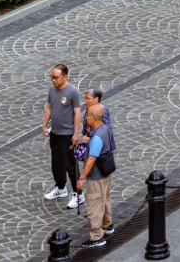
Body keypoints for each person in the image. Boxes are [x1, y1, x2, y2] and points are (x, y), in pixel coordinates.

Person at [75, 102, 115, 248]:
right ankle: (107, 225)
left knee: (94, 203)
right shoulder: (104, 128)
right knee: (105, 199)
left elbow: (91, 159)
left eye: (89, 116)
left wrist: (81, 177)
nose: (86, 119)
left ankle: (97, 236)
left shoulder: (97, 136)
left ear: (95, 118)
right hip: (105, 173)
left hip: (96, 176)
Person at [43, 63, 82, 208]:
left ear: (65, 76)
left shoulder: (72, 91)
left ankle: (78, 193)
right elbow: (50, 107)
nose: (53, 80)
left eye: (56, 78)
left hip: (68, 134)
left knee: (71, 165)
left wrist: (76, 133)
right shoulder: (52, 90)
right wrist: (44, 124)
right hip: (55, 133)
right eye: (52, 77)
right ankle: (61, 188)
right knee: (57, 162)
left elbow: (77, 113)